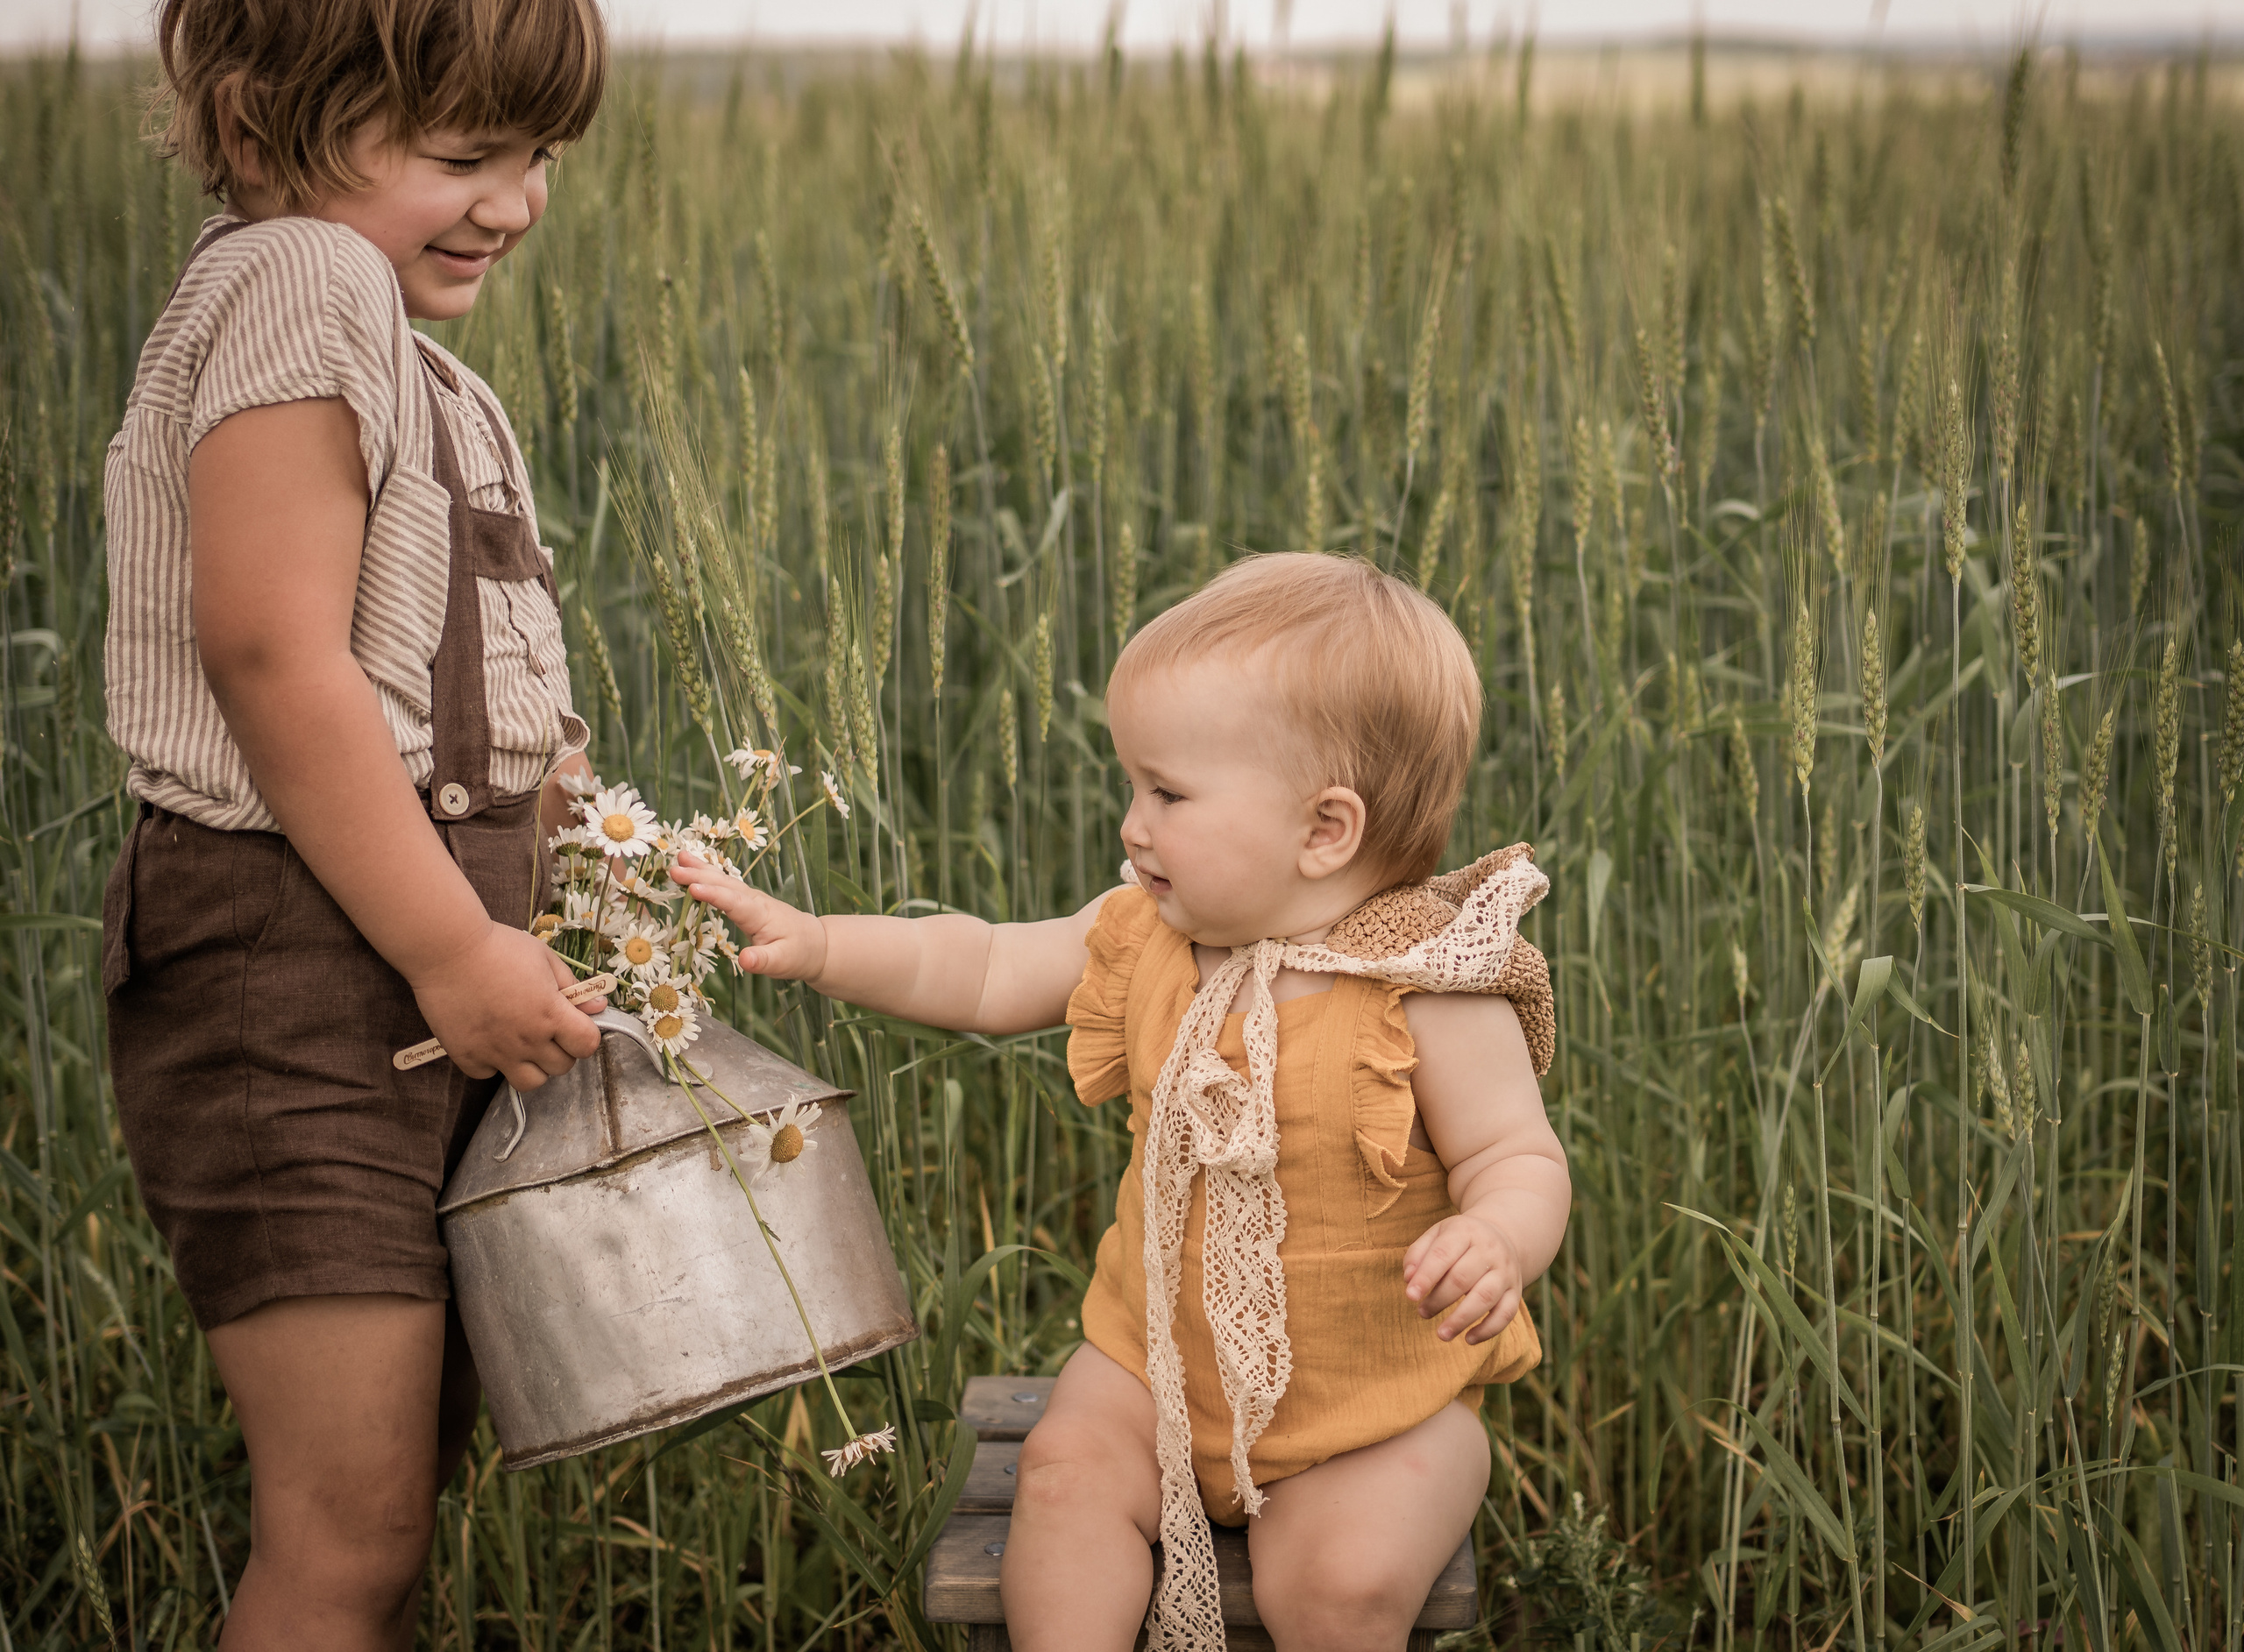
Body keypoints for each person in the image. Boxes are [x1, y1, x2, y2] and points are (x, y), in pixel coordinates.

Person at [678, 551, 1571, 1652]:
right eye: (1133, 785)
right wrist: (818, 943)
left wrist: (1495, 1236)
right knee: (1060, 1478)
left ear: (1324, 829)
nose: (1131, 824)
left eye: (1168, 793)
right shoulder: (1148, 937)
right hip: (1152, 1364)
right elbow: (985, 967)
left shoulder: (1426, 988)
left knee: (1337, 1586)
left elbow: (1518, 1160)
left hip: (1373, 1409)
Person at [101, 2, 609, 1644]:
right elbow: (270, 653)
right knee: (345, 1530)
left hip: (395, 944)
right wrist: (457, 942)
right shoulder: (297, 280)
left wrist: (587, 838)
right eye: (465, 155)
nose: (516, 200)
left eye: (535, 156)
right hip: (299, 955)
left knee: (393, 1508)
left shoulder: (404, 349)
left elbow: (432, 678)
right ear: (261, 138)